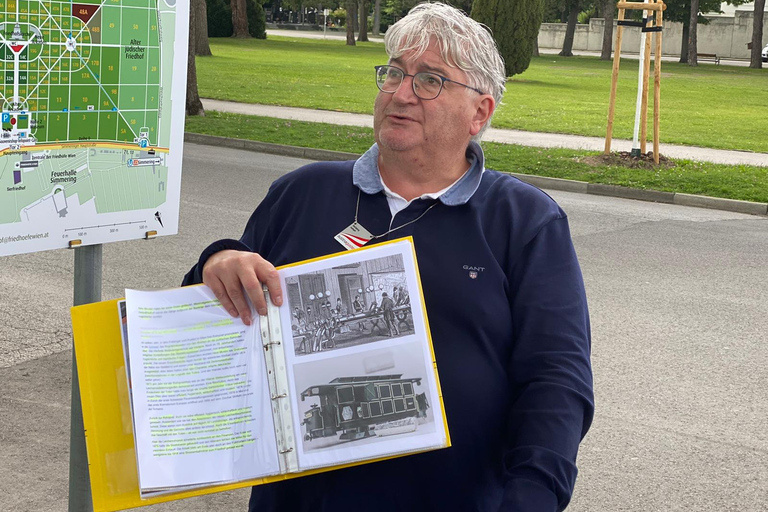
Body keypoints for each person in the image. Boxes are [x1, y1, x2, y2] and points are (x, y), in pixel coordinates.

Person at [182, 3, 593, 510]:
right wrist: (216, 261)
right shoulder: (302, 192)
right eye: (394, 73)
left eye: (430, 80)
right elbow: (212, 332)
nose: (400, 93)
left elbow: (556, 379)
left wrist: (533, 495)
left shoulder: (525, 220)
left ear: (479, 112)